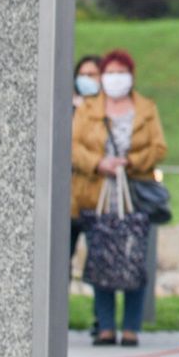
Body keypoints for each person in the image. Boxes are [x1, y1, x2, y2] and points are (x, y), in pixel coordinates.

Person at [71, 49, 167, 346]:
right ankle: (106, 326)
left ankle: (131, 327)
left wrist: (132, 161)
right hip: (97, 193)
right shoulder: (89, 109)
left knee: (134, 260)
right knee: (101, 258)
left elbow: (158, 147)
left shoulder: (146, 108)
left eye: (120, 72)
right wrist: (99, 163)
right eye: (109, 72)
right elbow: (73, 145)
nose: (114, 78)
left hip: (133, 194)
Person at [71, 55, 102, 259]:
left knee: (102, 264)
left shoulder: (109, 109)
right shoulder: (67, 106)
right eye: (81, 75)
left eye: (91, 74)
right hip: (69, 198)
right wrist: (96, 163)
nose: (86, 79)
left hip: (99, 199)